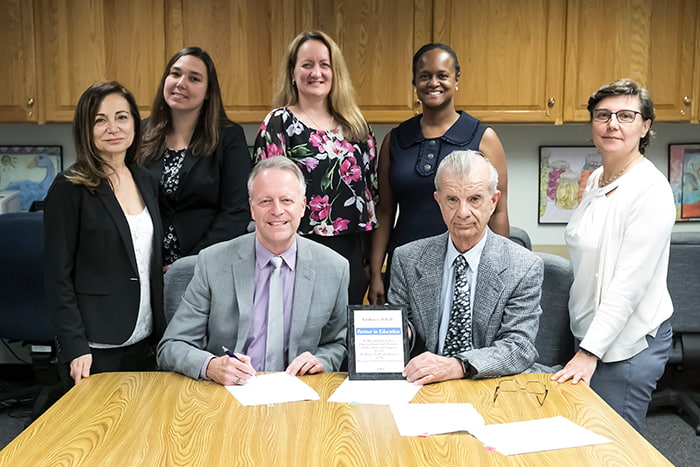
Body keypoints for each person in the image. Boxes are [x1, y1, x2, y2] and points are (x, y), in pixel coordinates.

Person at [157, 157, 349, 385]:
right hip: (228, 393)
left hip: (299, 395)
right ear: (252, 208)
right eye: (265, 201)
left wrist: (322, 361)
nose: (277, 211)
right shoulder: (213, 262)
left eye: (286, 200)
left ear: (302, 206)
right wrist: (210, 366)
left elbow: (338, 343)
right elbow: (171, 346)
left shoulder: (334, 268)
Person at [552, 79, 675, 432]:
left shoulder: (651, 190)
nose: (612, 124)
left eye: (625, 115)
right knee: (585, 435)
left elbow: (627, 285)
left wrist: (589, 353)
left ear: (645, 125)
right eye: (603, 115)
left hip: (627, 344)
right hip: (591, 333)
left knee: (613, 443)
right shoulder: (597, 180)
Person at [369, 43, 510, 305]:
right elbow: (385, 210)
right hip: (405, 270)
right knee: (406, 343)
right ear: (414, 82)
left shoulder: (483, 138)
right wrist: (376, 272)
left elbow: (498, 211)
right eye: (425, 76)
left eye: (442, 75)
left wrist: (501, 272)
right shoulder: (395, 140)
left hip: (466, 265)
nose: (434, 82)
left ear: (456, 79)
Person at [44, 82, 165, 385]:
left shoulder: (145, 179)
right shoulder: (69, 187)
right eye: (100, 120)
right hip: (96, 346)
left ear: (135, 123)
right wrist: (74, 345)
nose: (114, 127)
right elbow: (57, 275)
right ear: (86, 128)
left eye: (122, 117)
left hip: (145, 336)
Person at [388, 150, 543, 385]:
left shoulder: (524, 266)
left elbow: (519, 347)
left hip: (489, 383)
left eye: (474, 199)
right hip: (425, 384)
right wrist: (399, 334)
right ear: (438, 201)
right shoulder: (407, 259)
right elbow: (404, 325)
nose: (462, 213)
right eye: (452, 199)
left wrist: (458, 365)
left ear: (493, 201)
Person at [253, 30, 377, 305]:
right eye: (307, 64)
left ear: (336, 72)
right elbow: (264, 198)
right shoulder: (279, 123)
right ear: (293, 72)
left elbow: (371, 199)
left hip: (350, 254)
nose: (316, 72)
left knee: (343, 338)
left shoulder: (358, 127)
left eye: (324, 64)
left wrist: (369, 264)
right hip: (296, 252)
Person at [139, 47, 252, 267]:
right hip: (147, 266)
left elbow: (236, 211)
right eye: (175, 74)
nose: (181, 83)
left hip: (206, 265)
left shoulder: (228, 137)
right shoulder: (141, 133)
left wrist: (191, 262)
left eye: (194, 78)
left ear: (209, 91)